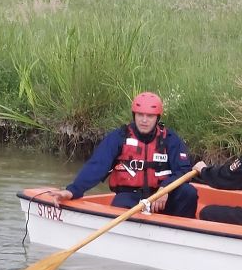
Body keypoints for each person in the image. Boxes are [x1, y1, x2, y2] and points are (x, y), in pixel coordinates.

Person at [44, 91, 199, 218]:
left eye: (149, 116)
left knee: (188, 193)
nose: (144, 120)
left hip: (161, 197)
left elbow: (184, 171)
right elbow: (97, 166)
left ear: (157, 118)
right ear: (134, 115)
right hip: (131, 197)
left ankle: (181, 236)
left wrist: (165, 190)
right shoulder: (119, 137)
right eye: (140, 115)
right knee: (119, 205)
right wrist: (72, 190)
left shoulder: (170, 140)